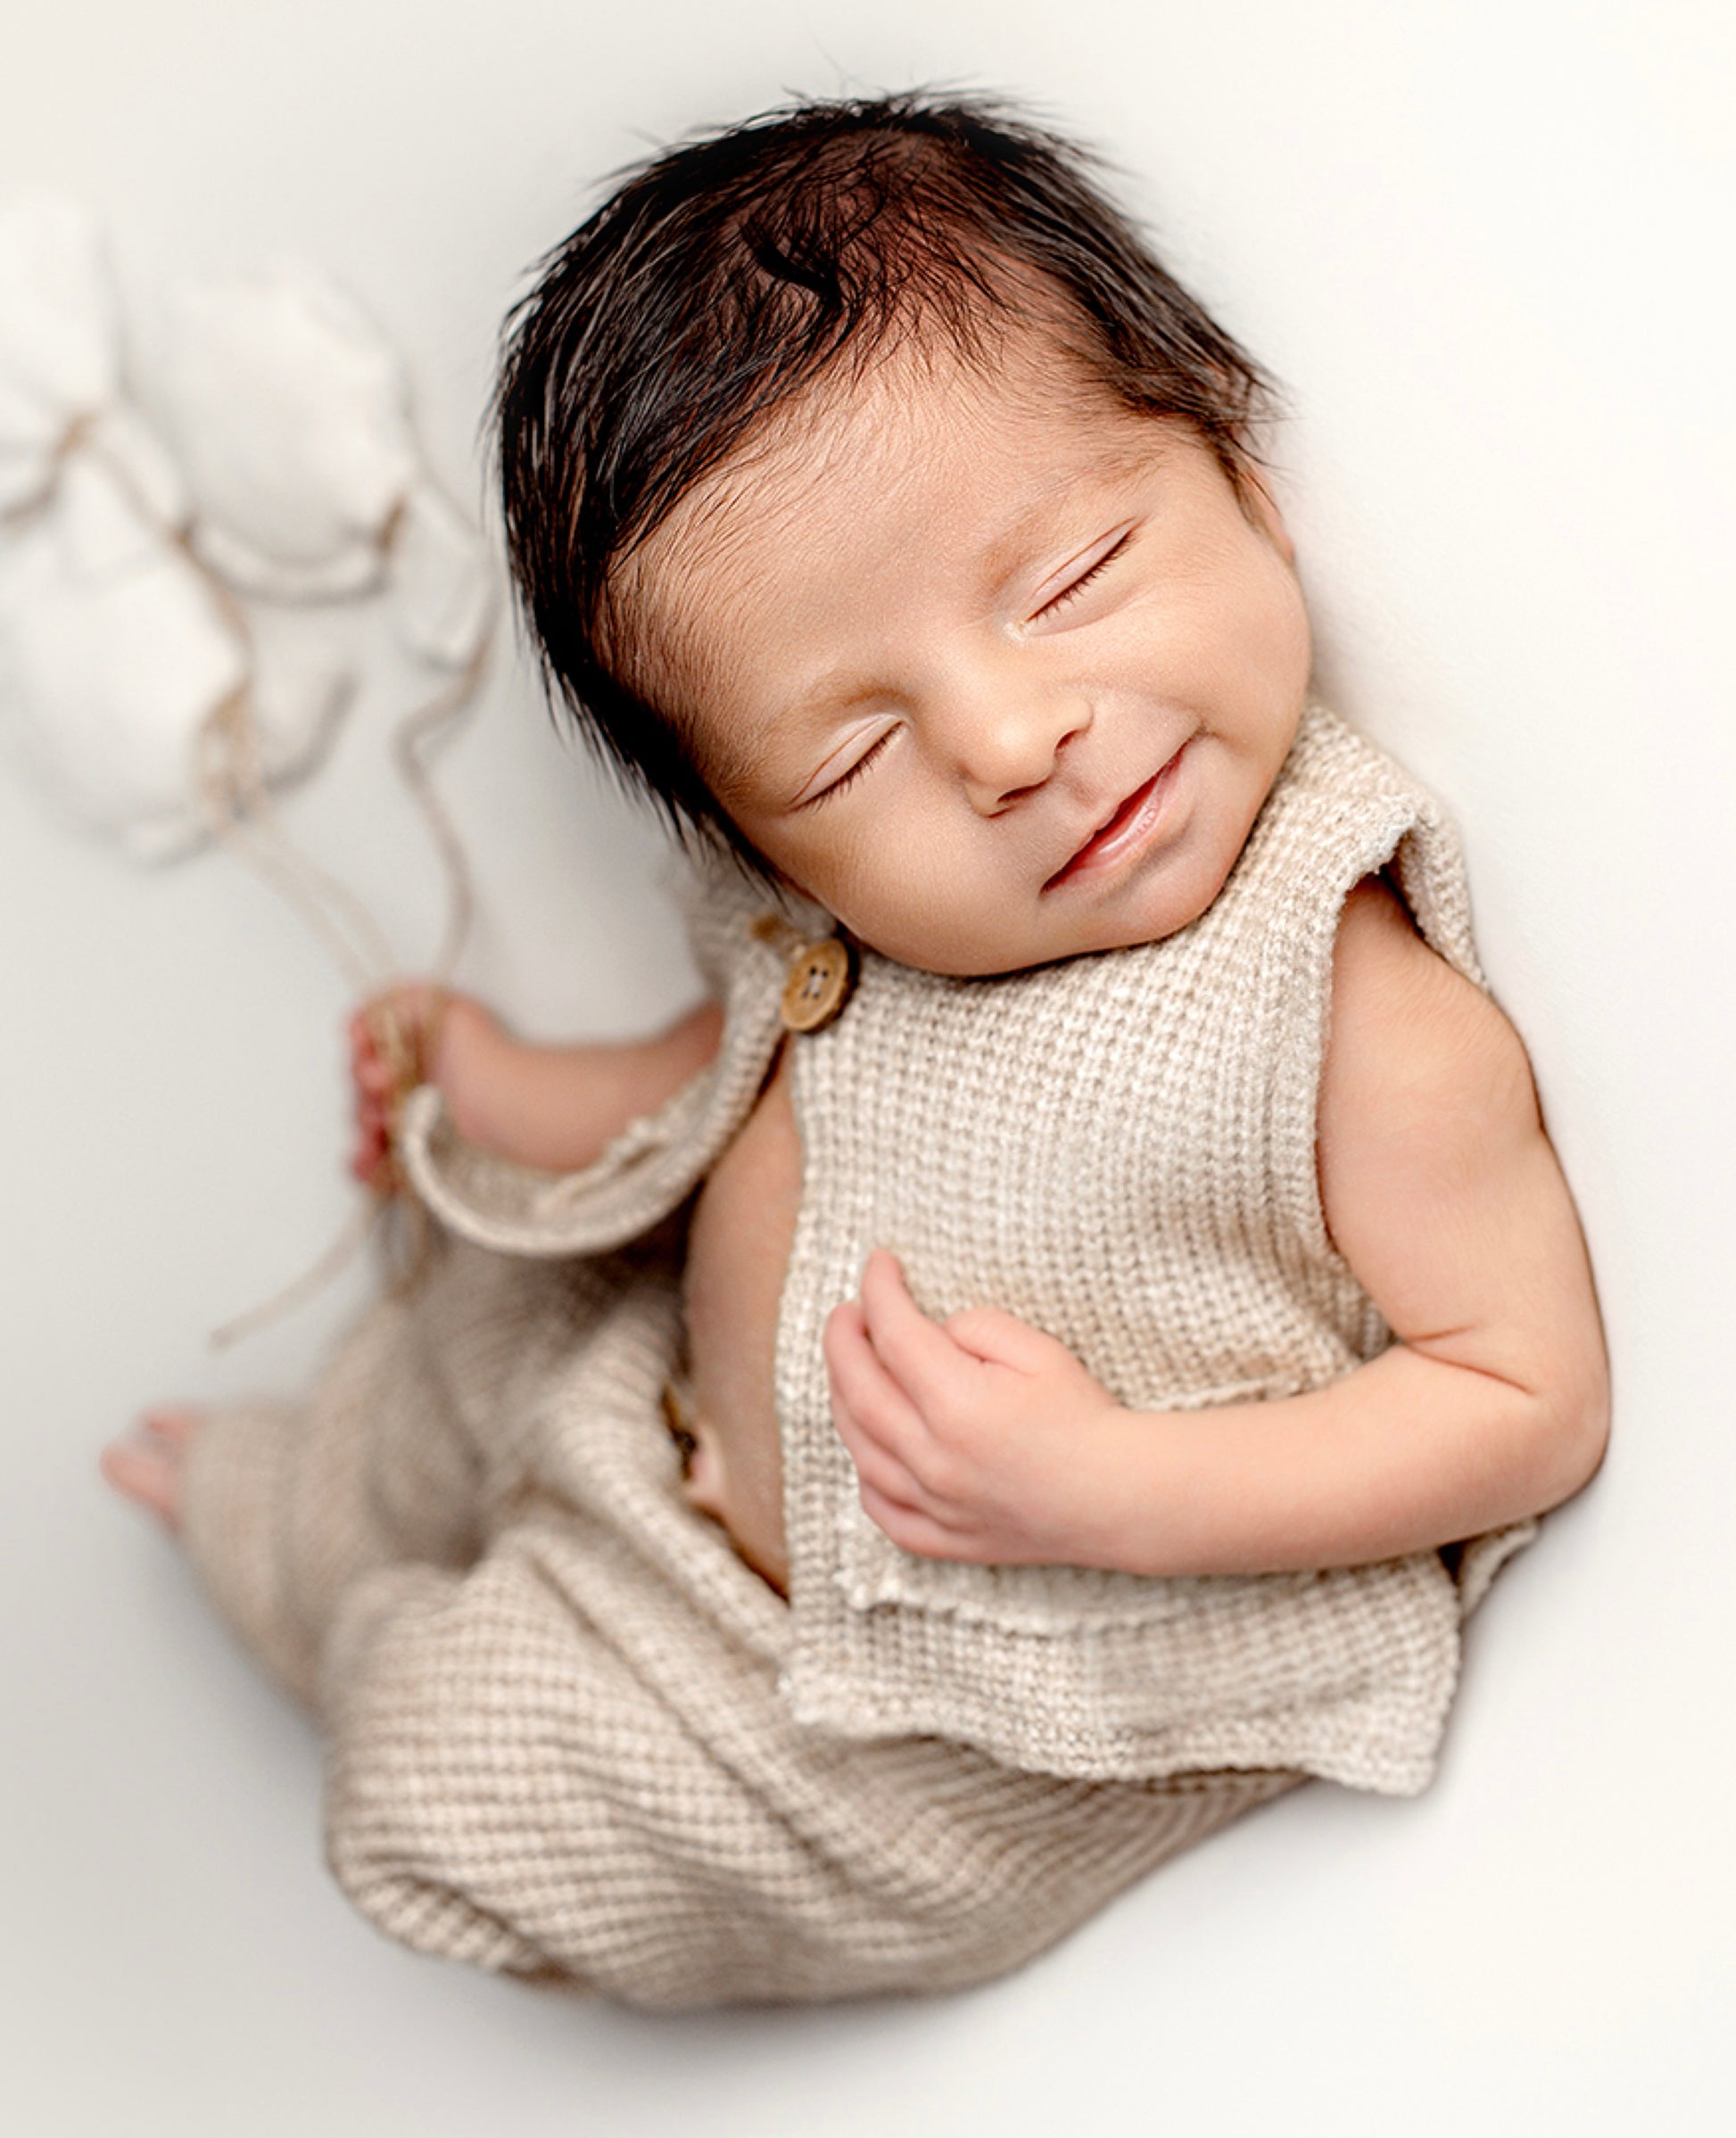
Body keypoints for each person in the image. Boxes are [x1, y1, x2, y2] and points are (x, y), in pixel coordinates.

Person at [100, 92, 1608, 2008]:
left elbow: (1521, 1397)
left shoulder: (1354, 1021)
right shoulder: (863, 916)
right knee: (464, 1326)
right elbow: (720, 1084)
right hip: (658, 1401)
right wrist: (484, 1083)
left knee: (432, 1769)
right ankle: (291, 1504)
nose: (1003, 739)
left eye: (1062, 581)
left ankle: (350, 1614)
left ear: (1233, 458)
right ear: (750, 828)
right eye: (848, 754)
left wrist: (1106, 1489)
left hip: (926, 1703)